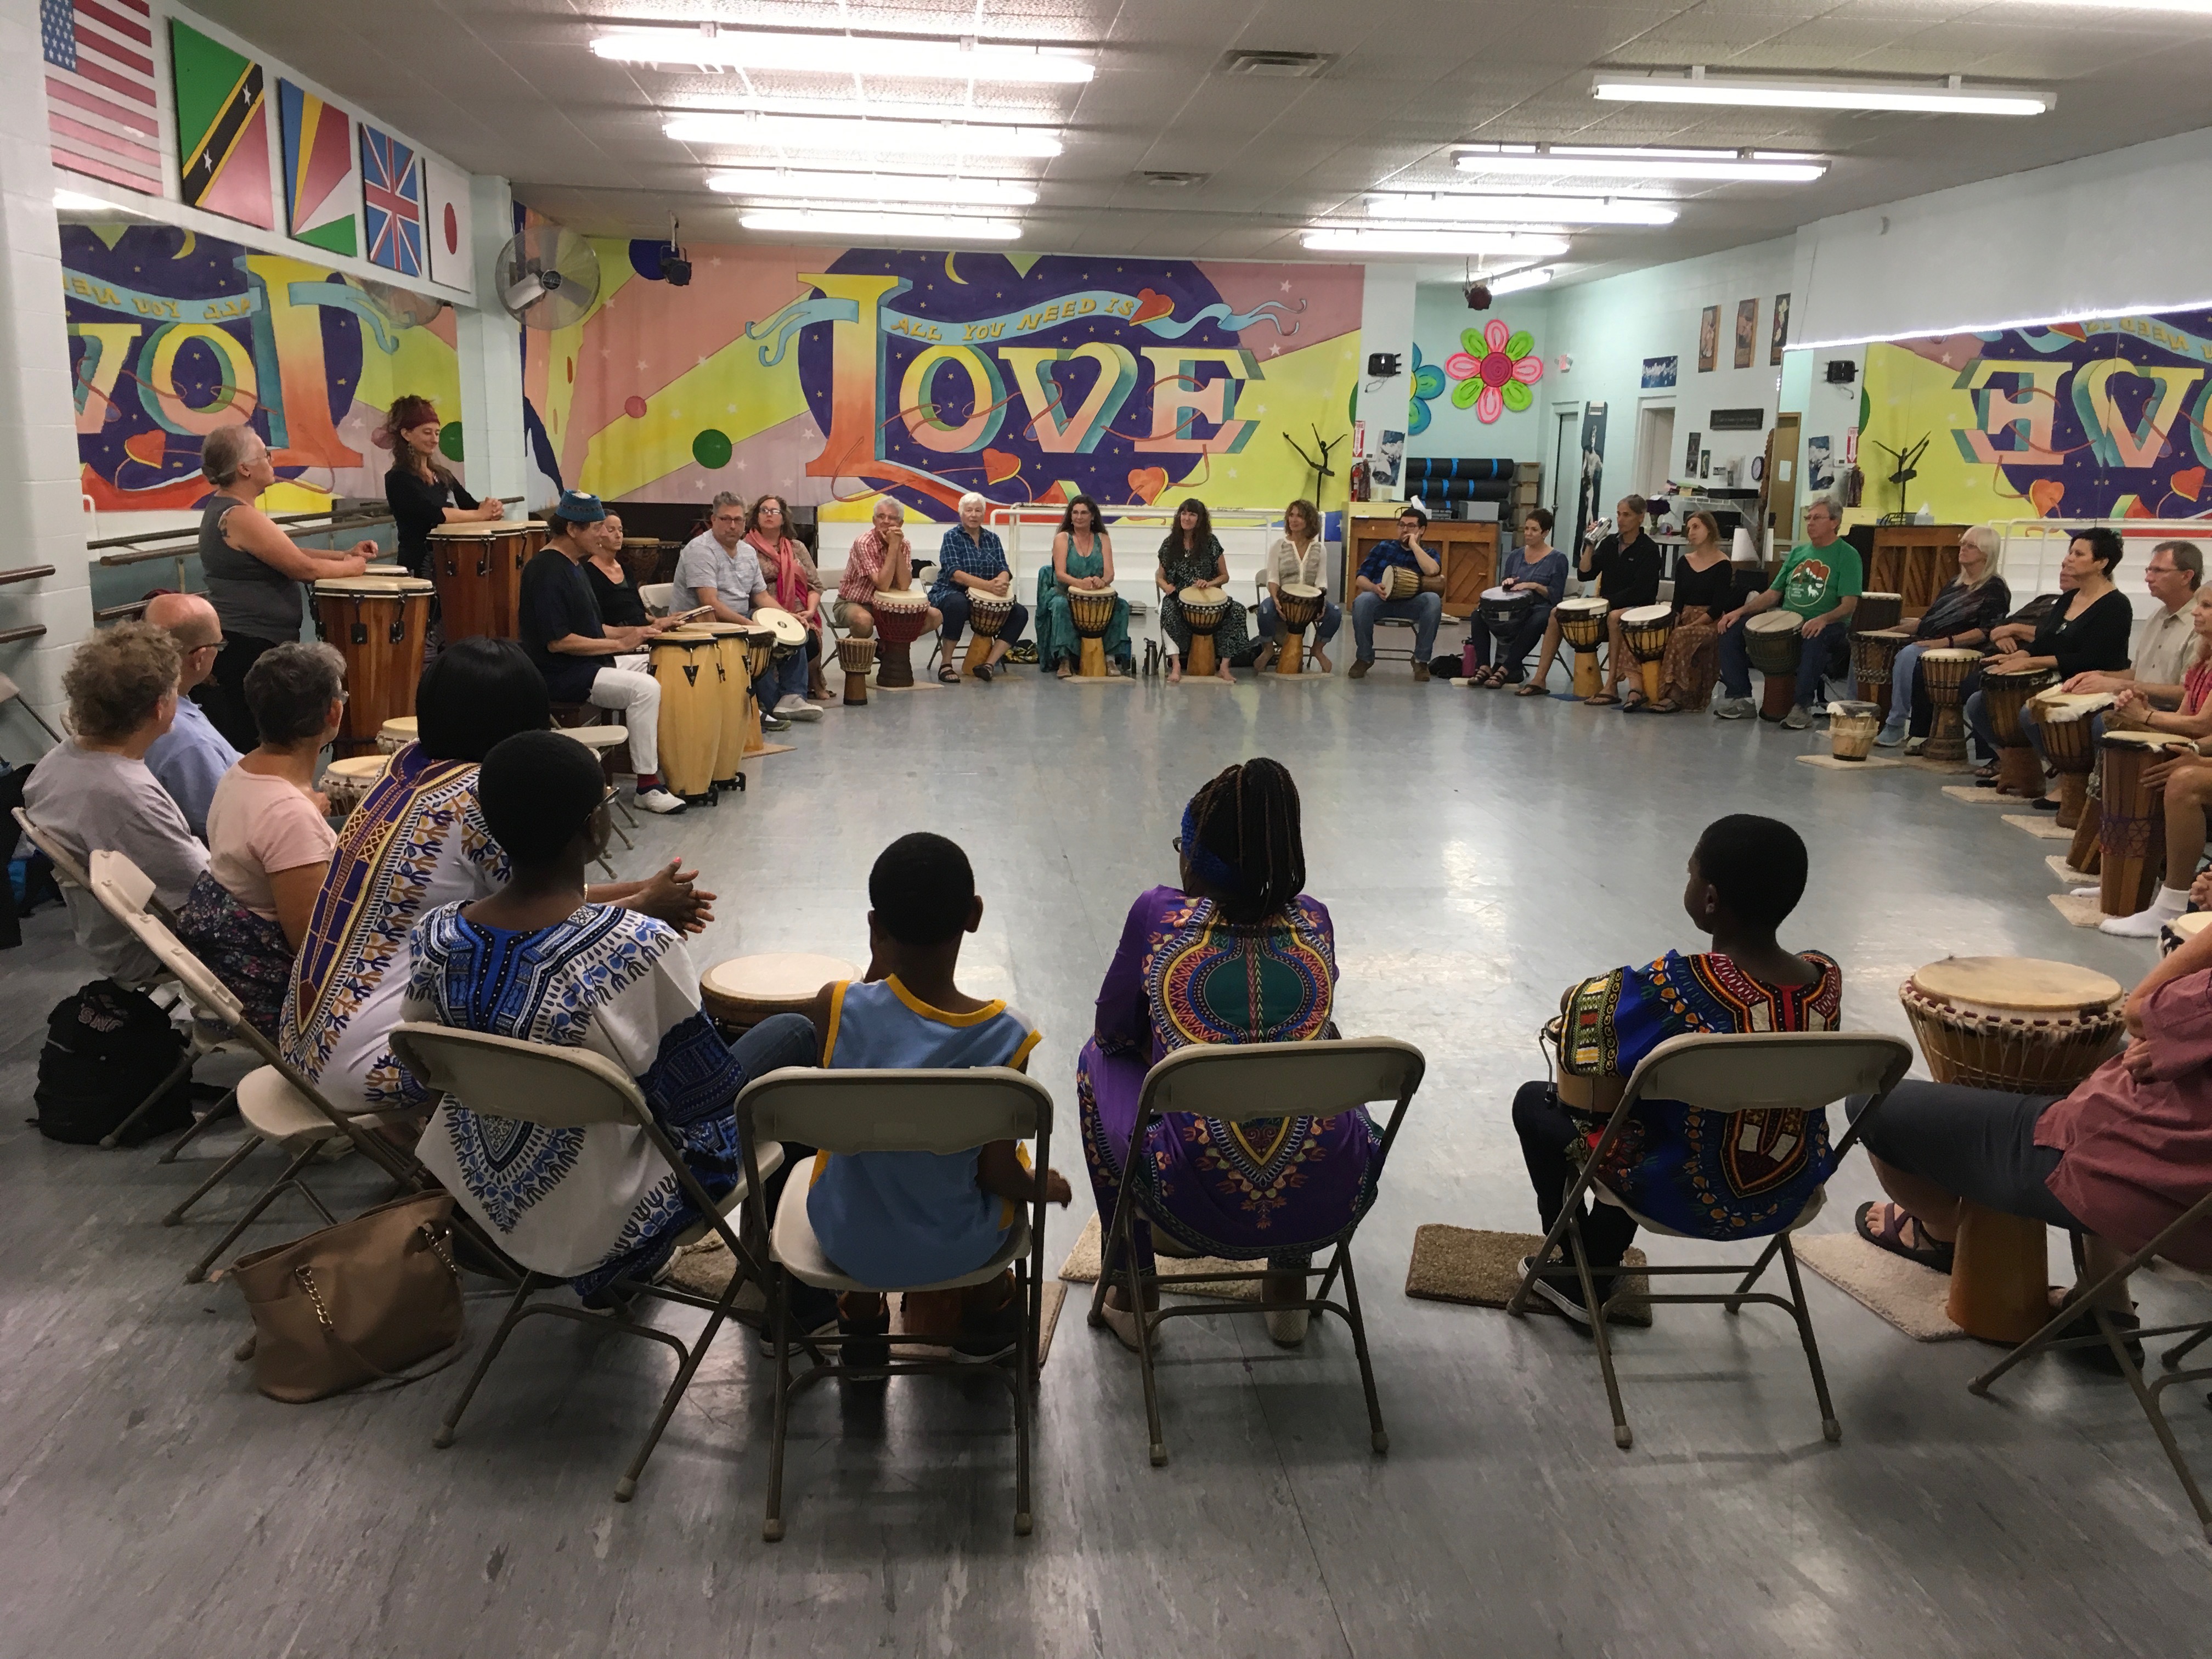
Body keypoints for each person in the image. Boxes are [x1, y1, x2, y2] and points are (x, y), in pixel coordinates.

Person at [405, 730, 820, 1302]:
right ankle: (792, 1293)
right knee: (796, 1033)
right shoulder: (637, 947)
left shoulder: (438, 936)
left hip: (487, 1197)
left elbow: (423, 1065)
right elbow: (702, 1102)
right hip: (617, 1207)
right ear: (591, 828)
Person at [281, 638, 715, 1123]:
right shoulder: (478, 797)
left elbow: (533, 897)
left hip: (306, 1041)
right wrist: (641, 909)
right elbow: (541, 928)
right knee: (579, 1022)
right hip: (371, 1060)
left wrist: (640, 892)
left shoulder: (403, 768)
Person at [1078, 759, 1379, 1351]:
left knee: (1095, 1063)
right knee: (1316, 1053)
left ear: (1196, 862)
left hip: (1186, 1192)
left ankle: (1134, 1297)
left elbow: (1113, 1032)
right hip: (1332, 1189)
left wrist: (1162, 1043)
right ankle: (1289, 1291)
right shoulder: (1315, 919)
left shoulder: (1157, 915)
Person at [1511, 816, 1842, 1315]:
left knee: (1538, 1104)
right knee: (1647, 1115)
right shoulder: (1826, 982)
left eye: (1690, 873)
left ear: (1710, 899)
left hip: (1677, 1191)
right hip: (1791, 1192)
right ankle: (1593, 1258)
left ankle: (1580, 1262)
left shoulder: (1679, 986)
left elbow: (1582, 1012)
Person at [1849, 911, 2212, 1361]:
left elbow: (2140, 1009)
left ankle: (1937, 1232)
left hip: (2153, 1195)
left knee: (1872, 1101)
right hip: (2189, 1185)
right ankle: (2105, 1303)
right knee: (2099, 1052)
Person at [805, 832, 1070, 1365]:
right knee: (1008, 1165)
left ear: (876, 927)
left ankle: (862, 1328)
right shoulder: (1007, 1035)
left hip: (845, 1239)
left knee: (861, 1156)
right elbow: (997, 1176)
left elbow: (873, 1005)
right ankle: (986, 1322)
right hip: (959, 1248)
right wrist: (1043, 1186)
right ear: (973, 915)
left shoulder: (833, 1006)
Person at [21, 623, 206, 981]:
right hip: (153, 944)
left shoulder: (53, 765)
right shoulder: (130, 797)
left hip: (106, 934)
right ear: (159, 707)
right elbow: (203, 890)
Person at [178, 642, 344, 1032]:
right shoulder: (289, 815)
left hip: (232, 969)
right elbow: (312, 946)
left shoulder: (241, 772)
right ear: (333, 713)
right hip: (274, 994)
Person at [194, 423, 375, 750]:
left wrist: (342, 555)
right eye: (265, 453)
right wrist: (354, 568)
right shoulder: (238, 515)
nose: (271, 459)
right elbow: (301, 568)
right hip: (247, 646)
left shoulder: (236, 510)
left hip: (253, 642)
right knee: (252, 742)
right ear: (244, 468)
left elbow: (285, 552)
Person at [518, 490, 688, 812]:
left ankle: (677, 762)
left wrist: (638, 632)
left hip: (590, 664)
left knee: (664, 665)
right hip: (562, 674)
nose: (603, 533)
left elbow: (595, 629)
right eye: (597, 527)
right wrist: (620, 645)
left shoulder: (574, 566)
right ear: (572, 529)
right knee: (645, 688)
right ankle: (648, 786)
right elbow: (559, 642)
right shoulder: (545, 570)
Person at [2091, 586, 2212, 936]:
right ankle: (2124, 877)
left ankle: (2171, 904)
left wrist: (2145, 717)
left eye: (2206, 606)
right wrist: (2141, 711)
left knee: (2183, 780)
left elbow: (2204, 725)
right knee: (2134, 745)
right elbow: (2190, 723)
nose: (2196, 612)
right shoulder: (2204, 659)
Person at [1963, 526, 2132, 778]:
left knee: (2029, 711)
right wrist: (2018, 656)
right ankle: (2018, 766)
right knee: (1978, 701)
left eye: (2078, 554)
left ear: (2102, 563)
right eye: (2070, 552)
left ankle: (2068, 774)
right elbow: (2046, 641)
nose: (2068, 559)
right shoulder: (2069, 599)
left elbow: (2091, 659)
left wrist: (2029, 665)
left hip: (2088, 684)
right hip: (2055, 677)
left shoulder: (2116, 606)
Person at [1713, 496, 1862, 729]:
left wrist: (1822, 619)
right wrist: (1738, 612)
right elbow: (1773, 594)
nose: (1810, 523)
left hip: (1830, 626)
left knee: (1814, 636)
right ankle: (1741, 697)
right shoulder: (1798, 554)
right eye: (1808, 518)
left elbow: (1849, 605)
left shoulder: (1848, 555)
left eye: (1817, 518)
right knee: (1731, 628)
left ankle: (1802, 706)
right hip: (1788, 619)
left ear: (1835, 522)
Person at [1874, 524, 2013, 748]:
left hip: (1958, 651)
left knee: (1909, 655)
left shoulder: (1994, 588)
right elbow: (1927, 621)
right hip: (1930, 640)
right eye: (1963, 544)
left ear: (1986, 553)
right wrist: (1889, 632)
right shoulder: (1954, 583)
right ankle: (1859, 716)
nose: (1963, 549)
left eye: (1971, 546)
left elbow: (1986, 631)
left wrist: (1942, 643)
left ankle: (1896, 724)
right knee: (1871, 643)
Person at [674, 492, 795, 731]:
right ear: (713, 520)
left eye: (738, 520)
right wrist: (752, 626)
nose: (732, 526)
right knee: (763, 636)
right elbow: (709, 604)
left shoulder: (748, 551)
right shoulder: (700, 550)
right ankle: (761, 707)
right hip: (701, 625)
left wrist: (787, 617)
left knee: (791, 632)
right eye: (726, 519)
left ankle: (793, 698)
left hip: (737, 619)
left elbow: (760, 595)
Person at [1520, 494, 1662, 700]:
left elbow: (1642, 591)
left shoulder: (1649, 549)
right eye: (1618, 514)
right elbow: (1585, 574)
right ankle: (1540, 679)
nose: (1620, 520)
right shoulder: (1610, 543)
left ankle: (1611, 684)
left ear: (1641, 518)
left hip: (1636, 611)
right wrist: (1590, 543)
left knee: (1614, 618)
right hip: (1607, 607)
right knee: (1556, 613)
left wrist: (1606, 604)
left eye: (1627, 515)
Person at [140, 591, 240, 838]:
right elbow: (230, 826)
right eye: (219, 645)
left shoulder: (135, 704)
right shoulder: (188, 742)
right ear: (199, 658)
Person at [2063, 539, 2205, 708]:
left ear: (2186, 576)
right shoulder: (2157, 616)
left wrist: (2122, 686)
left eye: (2158, 571)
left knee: (2099, 722)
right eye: (2149, 570)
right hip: (2140, 706)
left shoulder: (2201, 623)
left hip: (2171, 717)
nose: (2148, 578)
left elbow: (2189, 693)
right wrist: (2101, 676)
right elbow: (2137, 674)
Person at [381, 394, 502, 578]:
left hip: (452, 565)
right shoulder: (398, 479)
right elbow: (435, 514)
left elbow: (470, 506)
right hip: (419, 568)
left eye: (437, 433)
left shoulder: (442, 475)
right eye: (427, 432)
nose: (435, 439)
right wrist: (480, 514)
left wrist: (491, 510)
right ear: (406, 434)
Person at [930, 492, 1029, 684]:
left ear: (984, 514)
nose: (974, 515)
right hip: (952, 592)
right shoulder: (952, 537)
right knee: (958, 604)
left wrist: (1002, 581)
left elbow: (1004, 568)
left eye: (978, 510)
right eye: (969, 510)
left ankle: (989, 664)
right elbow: (955, 573)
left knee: (1020, 612)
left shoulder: (993, 539)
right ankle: (946, 664)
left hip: (985, 595)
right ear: (961, 514)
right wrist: (989, 586)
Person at [1644, 509, 1733, 714]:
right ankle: (1643, 688)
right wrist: (1673, 621)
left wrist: (1692, 625)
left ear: (1709, 530)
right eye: (1689, 528)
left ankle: (1674, 694)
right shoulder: (1685, 562)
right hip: (1685, 617)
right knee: (1654, 632)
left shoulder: (1723, 565)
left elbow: (1717, 607)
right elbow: (1678, 601)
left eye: (1696, 527)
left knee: (1681, 635)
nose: (1691, 532)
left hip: (1709, 622)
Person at [1466, 507, 1564, 690]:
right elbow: (1504, 585)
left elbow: (1556, 596)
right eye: (1526, 529)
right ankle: (1484, 666)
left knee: (1538, 620)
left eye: (1534, 530)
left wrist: (1533, 585)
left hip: (1538, 607)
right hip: (1513, 607)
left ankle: (1507, 668)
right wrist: (1507, 583)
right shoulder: (1515, 555)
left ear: (1545, 533)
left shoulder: (1558, 559)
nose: (1528, 533)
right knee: (1478, 615)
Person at [747, 494, 831, 705]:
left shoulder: (797, 548)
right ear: (756, 517)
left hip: (801, 612)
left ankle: (793, 693)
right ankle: (778, 696)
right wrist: (784, 615)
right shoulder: (745, 548)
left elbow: (815, 586)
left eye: (774, 511)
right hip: (762, 613)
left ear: (783, 518)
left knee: (808, 638)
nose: (769, 515)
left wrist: (810, 612)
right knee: (778, 637)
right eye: (764, 510)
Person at [1036, 494, 1132, 678]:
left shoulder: (1103, 539)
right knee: (1060, 606)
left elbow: (1110, 573)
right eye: (1075, 513)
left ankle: (1110, 659)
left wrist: (1102, 582)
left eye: (1084, 513)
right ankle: (1064, 660)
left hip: (1097, 594)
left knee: (1121, 606)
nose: (1079, 517)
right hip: (1065, 592)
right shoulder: (1063, 538)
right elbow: (1060, 574)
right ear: (1070, 516)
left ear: (1093, 516)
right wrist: (1080, 583)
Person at [1155, 498, 1246, 685]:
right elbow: (1160, 575)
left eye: (1192, 514)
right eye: (1184, 513)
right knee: (1167, 611)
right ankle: (1176, 666)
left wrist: (1211, 583)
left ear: (1200, 519)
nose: (1186, 518)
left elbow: (1225, 576)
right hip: (1178, 598)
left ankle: (1224, 667)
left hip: (1208, 598)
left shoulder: (1211, 543)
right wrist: (1165, 586)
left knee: (1238, 610)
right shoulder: (1170, 543)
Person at [1348, 504, 1443, 682]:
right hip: (1381, 601)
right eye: (1401, 525)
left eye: (1411, 526)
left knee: (1433, 600)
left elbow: (1432, 570)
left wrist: (1414, 545)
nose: (1405, 529)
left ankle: (1421, 661)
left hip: (1411, 604)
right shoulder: (1383, 548)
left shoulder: (1429, 553)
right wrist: (1374, 588)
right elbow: (1360, 579)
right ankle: (1364, 657)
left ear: (1422, 530)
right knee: (1362, 601)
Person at [833, 496, 940, 640]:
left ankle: (889, 647)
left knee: (935, 616)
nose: (886, 521)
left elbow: (904, 586)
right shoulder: (864, 543)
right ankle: (863, 658)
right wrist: (894, 547)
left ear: (900, 523)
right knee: (863, 621)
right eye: (881, 516)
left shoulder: (905, 545)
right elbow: (882, 585)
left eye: (892, 518)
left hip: (889, 605)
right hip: (854, 603)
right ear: (874, 520)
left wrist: (896, 546)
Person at [1255, 498, 1340, 676]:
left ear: (1309, 520)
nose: (1294, 520)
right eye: (1291, 515)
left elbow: (1321, 581)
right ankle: (1268, 650)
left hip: (1312, 600)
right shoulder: (1279, 546)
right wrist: (1276, 599)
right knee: (1264, 610)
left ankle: (1318, 650)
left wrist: (1321, 603)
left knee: (1336, 614)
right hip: (1284, 598)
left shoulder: (1319, 548)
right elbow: (1273, 577)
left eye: (1300, 516)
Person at [582, 512, 651, 630]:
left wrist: (660, 621)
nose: (618, 535)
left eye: (620, 530)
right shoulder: (588, 573)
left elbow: (637, 611)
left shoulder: (625, 569)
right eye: (611, 530)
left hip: (641, 630)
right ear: (597, 534)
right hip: (617, 637)